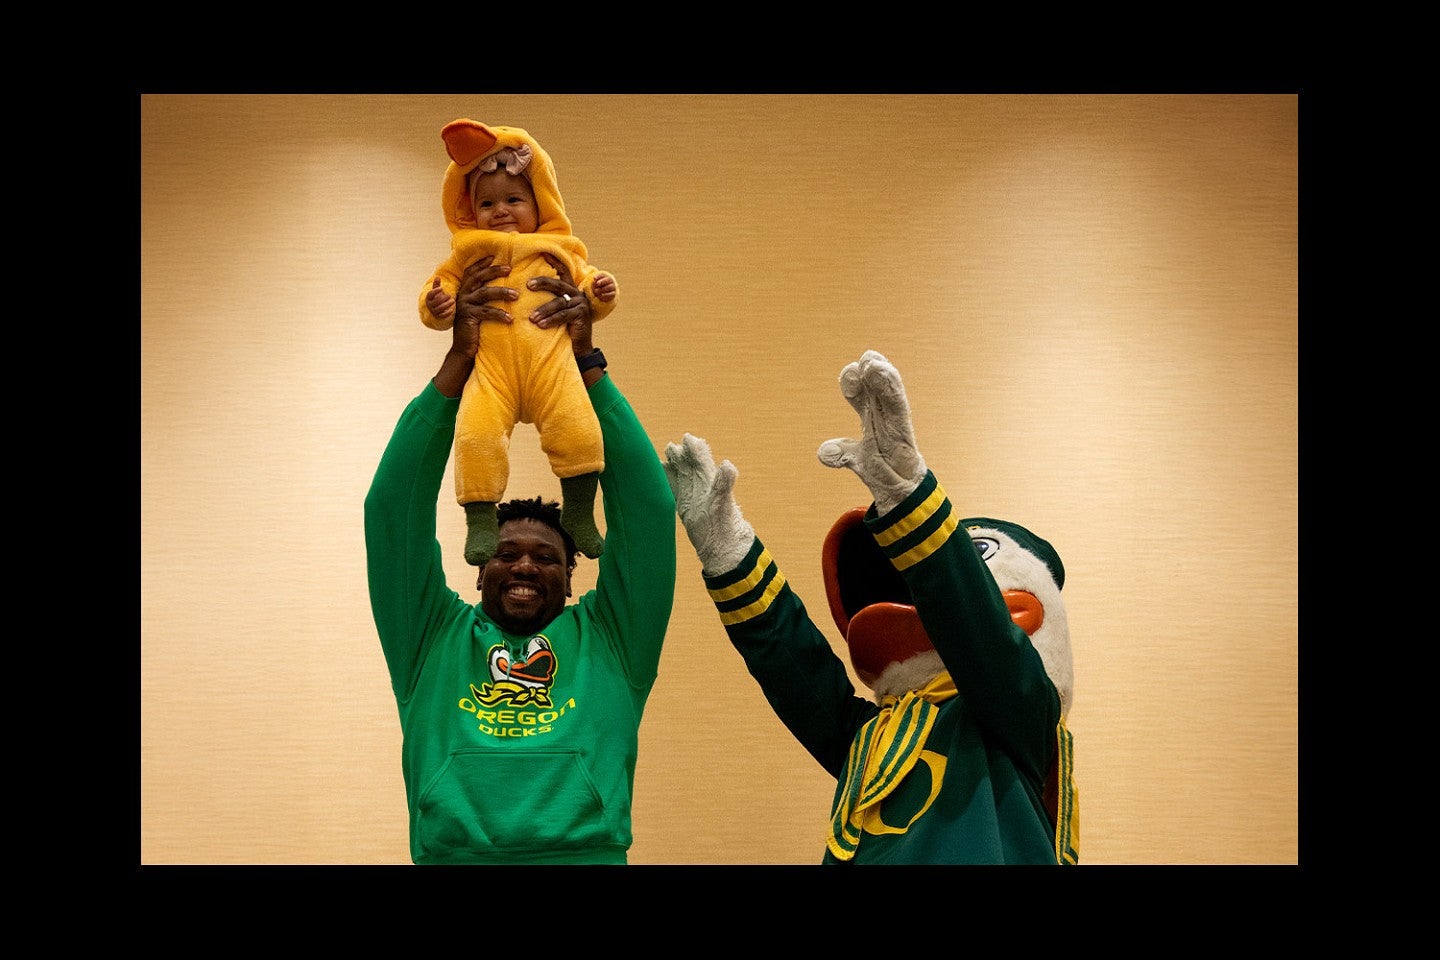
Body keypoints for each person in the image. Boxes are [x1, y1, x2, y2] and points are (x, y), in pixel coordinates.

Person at [664, 350, 1079, 864]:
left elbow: (983, 638)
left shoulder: (1021, 712)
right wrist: (727, 552)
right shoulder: (878, 741)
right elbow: (800, 675)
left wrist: (907, 497)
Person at [368, 255, 675, 865]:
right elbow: (391, 515)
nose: (526, 567)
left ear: (572, 575)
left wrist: (587, 366)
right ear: (481, 567)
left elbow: (646, 511)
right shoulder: (431, 638)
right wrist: (458, 365)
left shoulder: (611, 639)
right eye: (507, 553)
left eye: (547, 558)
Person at [419, 119, 618, 567]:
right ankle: (480, 521)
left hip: (554, 366)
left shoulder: (558, 250)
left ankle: (580, 512)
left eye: (514, 199)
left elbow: (587, 290)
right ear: (470, 210)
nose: (500, 210)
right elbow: (440, 296)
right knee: (475, 436)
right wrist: (437, 303)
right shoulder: (467, 255)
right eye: (486, 203)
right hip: (492, 373)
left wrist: (601, 292)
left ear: (539, 202)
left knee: (581, 431)